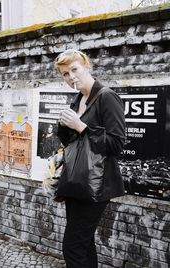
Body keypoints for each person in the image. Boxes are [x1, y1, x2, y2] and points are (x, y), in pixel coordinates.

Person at [54, 49, 126, 268]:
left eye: (74, 69)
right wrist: (64, 126)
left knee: (72, 247)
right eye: (65, 74)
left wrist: (81, 126)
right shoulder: (78, 100)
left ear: (86, 65)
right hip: (78, 183)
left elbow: (116, 144)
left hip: (98, 186)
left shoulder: (106, 97)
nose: (71, 77)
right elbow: (74, 144)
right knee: (84, 244)